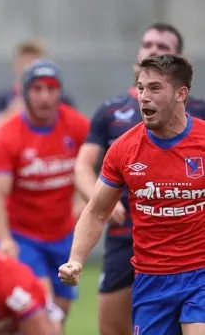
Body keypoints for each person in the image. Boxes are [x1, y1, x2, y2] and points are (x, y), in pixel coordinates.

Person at [73, 23, 205, 335]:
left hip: (199, 274)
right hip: (150, 278)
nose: (144, 97)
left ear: (180, 94)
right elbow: (95, 211)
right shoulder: (123, 148)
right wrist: (76, 260)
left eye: (155, 89)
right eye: (141, 88)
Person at [0, 59, 90, 326]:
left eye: (51, 89)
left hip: (64, 236)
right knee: (45, 310)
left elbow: (95, 174)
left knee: (59, 315)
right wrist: (6, 240)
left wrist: (81, 211)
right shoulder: (6, 135)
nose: (45, 96)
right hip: (24, 239)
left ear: (60, 92)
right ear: (25, 92)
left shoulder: (77, 126)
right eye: (37, 89)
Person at [0, 38, 76, 131]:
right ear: (15, 65)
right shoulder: (2, 97)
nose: (27, 68)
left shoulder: (60, 97)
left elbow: (75, 127)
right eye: (23, 62)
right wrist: (16, 111)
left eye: (31, 62)